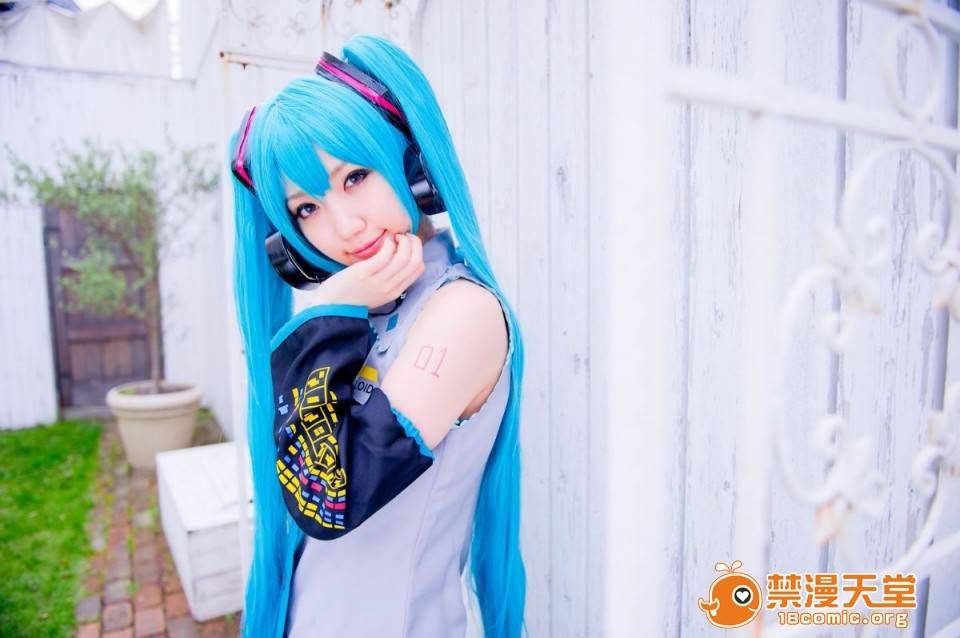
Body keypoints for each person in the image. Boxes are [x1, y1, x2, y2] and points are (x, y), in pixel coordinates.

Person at [228, 34, 527, 637]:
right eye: (307, 209)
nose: (345, 226)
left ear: (413, 168)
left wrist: (325, 314)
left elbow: (329, 494)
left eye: (356, 176)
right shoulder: (368, 309)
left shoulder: (461, 311)